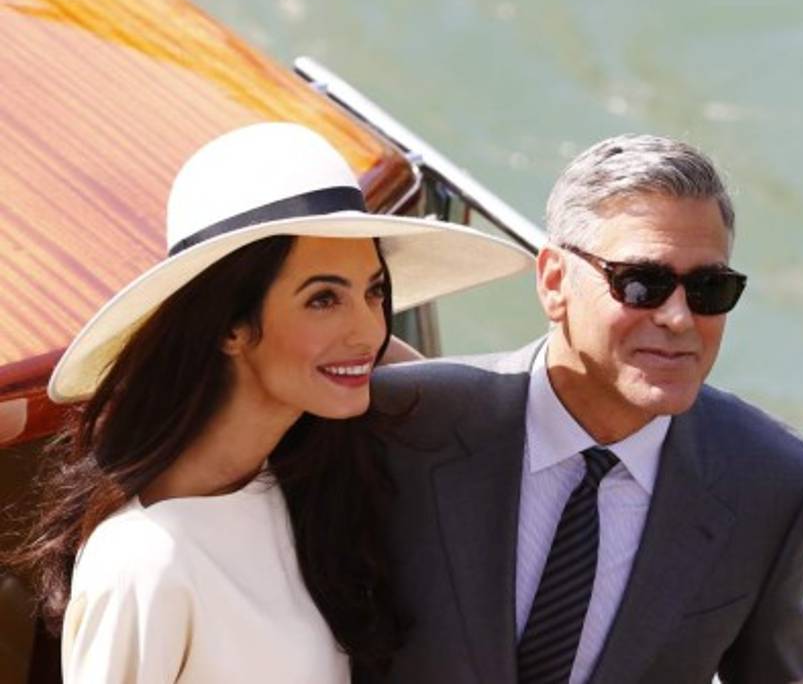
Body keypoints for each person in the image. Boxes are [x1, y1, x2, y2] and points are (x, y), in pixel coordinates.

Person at [3, 123, 532, 682]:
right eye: (323, 299)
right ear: (229, 326)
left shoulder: (296, 485)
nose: (367, 330)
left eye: (374, 291)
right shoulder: (144, 562)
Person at [370, 134, 803, 684]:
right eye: (642, 284)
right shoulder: (398, 425)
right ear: (554, 281)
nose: (680, 319)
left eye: (710, 288)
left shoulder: (772, 481)